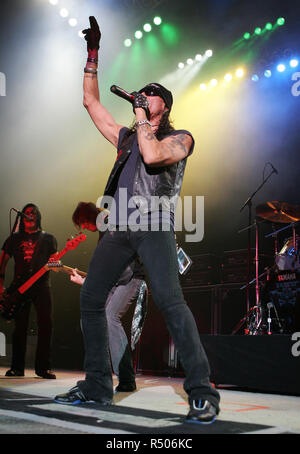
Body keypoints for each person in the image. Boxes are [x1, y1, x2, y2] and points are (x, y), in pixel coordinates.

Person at [55, 16, 220, 424]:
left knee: (170, 300)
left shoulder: (180, 138)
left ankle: (202, 391)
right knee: (91, 299)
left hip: (154, 226)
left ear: (165, 107)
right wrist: (92, 56)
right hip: (119, 228)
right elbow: (92, 104)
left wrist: (144, 117)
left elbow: (152, 156)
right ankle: (97, 386)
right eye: (142, 93)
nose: (144, 96)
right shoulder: (128, 136)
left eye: (153, 94)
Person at [70, 201, 147, 392]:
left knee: (110, 317)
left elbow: (120, 260)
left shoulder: (109, 220)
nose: (86, 229)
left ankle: (126, 378)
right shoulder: (105, 225)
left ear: (88, 217)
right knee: (89, 318)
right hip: (117, 278)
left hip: (130, 276)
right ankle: (99, 373)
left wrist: (86, 282)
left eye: (84, 224)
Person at [0, 203, 57, 379]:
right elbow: (2, 262)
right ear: (22, 217)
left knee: (45, 324)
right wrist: (0, 285)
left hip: (42, 286)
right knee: (20, 327)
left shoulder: (48, 238)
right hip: (20, 288)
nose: (29, 215)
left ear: (38, 216)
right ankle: (17, 368)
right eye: (26, 213)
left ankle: (43, 368)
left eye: (32, 212)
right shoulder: (13, 239)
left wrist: (55, 265)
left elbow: (53, 261)